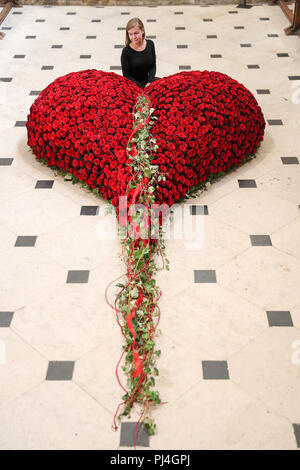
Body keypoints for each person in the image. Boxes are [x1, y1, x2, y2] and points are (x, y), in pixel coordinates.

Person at [121, 17, 160, 89]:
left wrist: (149, 82)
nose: (133, 37)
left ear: (143, 31)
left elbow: (153, 66)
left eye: (136, 33)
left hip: (148, 81)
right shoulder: (126, 51)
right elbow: (127, 76)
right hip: (133, 85)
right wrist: (142, 87)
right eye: (130, 34)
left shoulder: (150, 44)